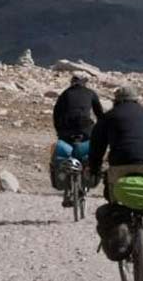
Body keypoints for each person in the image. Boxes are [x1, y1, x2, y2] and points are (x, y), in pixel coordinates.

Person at [88, 85, 143, 201]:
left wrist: (95, 167)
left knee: (115, 202)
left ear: (116, 100)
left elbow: (97, 146)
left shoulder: (108, 117)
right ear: (136, 99)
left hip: (119, 164)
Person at [53, 74, 104, 205]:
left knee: (67, 152)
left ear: (72, 83)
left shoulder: (65, 94)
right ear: (84, 83)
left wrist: (59, 131)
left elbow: (56, 113)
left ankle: (68, 187)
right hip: (85, 129)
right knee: (86, 153)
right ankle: (85, 176)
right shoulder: (90, 93)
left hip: (66, 130)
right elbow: (99, 114)